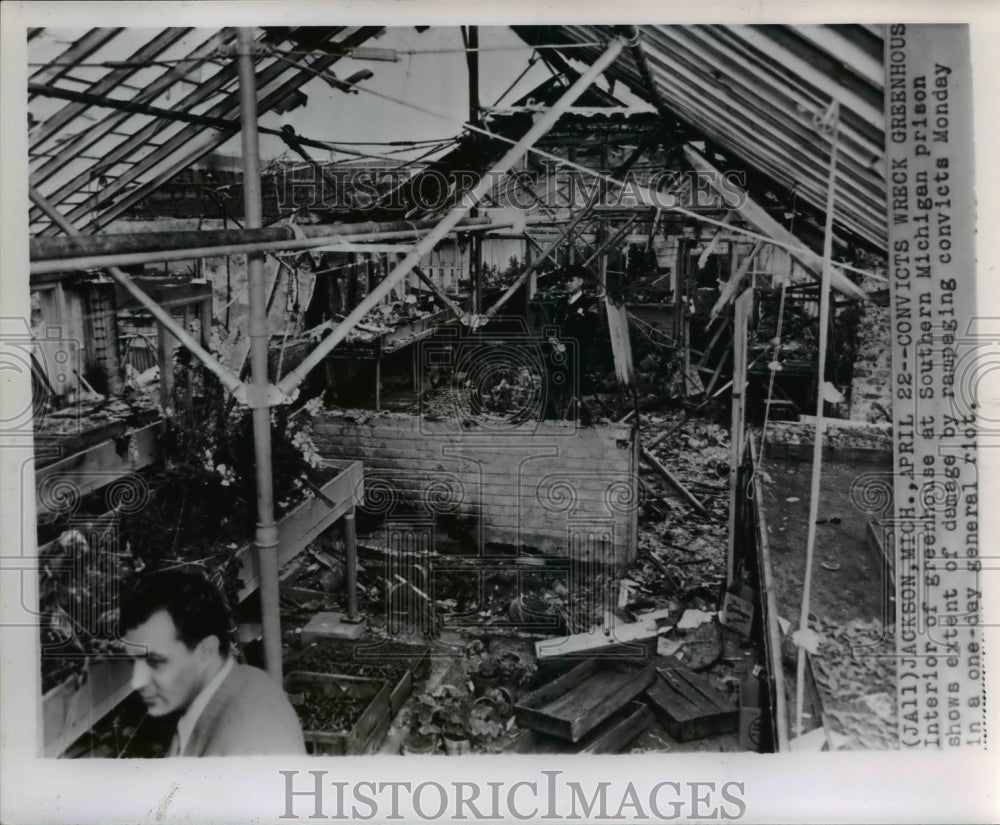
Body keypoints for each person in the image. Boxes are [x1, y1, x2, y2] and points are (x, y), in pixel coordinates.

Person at [119, 567, 305, 757]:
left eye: (156, 662)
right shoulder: (248, 679)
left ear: (205, 651)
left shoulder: (248, 747)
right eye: (133, 662)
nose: (137, 681)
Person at [545, 264, 597, 421]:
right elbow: (551, 324)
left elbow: (588, 331)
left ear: (580, 281)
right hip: (556, 351)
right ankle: (551, 415)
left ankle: (574, 414)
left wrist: (566, 345)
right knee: (551, 380)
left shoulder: (589, 303)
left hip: (577, 352)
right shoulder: (560, 303)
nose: (567, 283)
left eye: (571, 280)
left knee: (573, 385)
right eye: (565, 281)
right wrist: (551, 338)